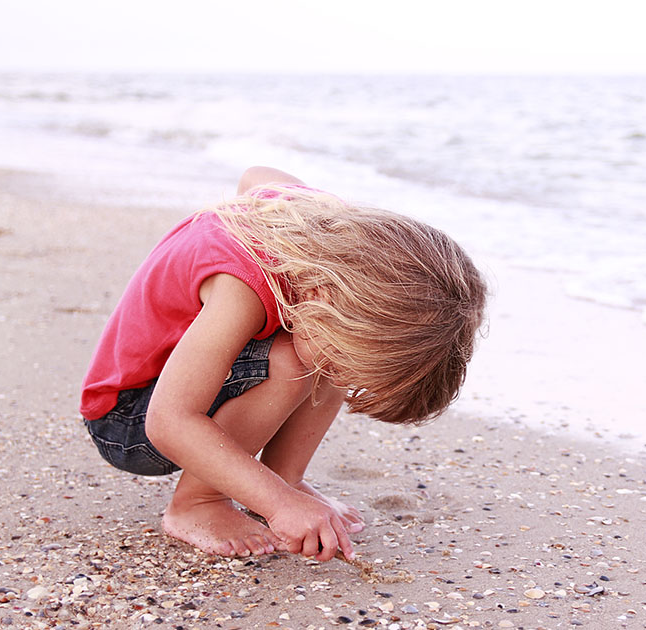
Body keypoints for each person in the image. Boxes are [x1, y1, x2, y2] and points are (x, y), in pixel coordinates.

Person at [79, 166, 487, 562]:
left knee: (321, 353)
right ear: (325, 295)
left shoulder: (316, 223)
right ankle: (199, 502)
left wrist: (281, 493)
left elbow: (255, 175)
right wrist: (277, 505)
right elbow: (169, 421)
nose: (337, 380)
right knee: (295, 360)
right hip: (128, 420)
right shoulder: (241, 288)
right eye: (340, 368)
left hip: (179, 396)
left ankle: (285, 477)